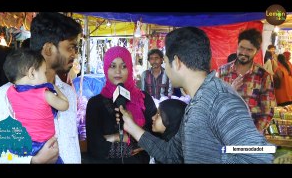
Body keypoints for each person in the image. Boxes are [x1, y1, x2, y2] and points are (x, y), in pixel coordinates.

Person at [116, 27, 273, 163]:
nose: (164, 67)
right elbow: (171, 154)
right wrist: (132, 127)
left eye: (165, 61)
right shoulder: (197, 103)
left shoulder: (220, 100)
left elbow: (259, 155)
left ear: (176, 62)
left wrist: (213, 155)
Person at [0, 12, 82, 163]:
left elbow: (71, 143)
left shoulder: (67, 92)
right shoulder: (6, 95)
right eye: (71, 47)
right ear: (48, 50)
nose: (75, 54)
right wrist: (33, 161)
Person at [86, 46, 157, 164]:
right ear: (105, 68)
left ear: (130, 68)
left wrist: (117, 138)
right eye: (112, 66)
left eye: (123, 66)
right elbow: (96, 147)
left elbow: (155, 138)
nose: (118, 71)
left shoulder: (144, 99)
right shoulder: (95, 103)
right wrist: (135, 143)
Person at [3, 48, 70, 163]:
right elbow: (65, 105)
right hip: (43, 145)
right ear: (32, 73)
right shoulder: (44, 94)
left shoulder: (10, 92)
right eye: (44, 72)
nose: (45, 76)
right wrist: (55, 88)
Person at [217, 28, 277, 133]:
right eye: (241, 48)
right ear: (237, 46)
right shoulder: (223, 71)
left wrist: (254, 133)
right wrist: (230, 92)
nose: (243, 53)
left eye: (249, 50)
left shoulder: (263, 76)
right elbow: (214, 103)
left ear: (257, 51)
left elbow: (267, 111)